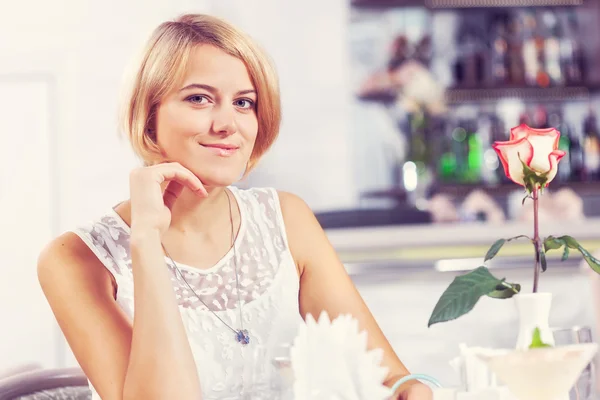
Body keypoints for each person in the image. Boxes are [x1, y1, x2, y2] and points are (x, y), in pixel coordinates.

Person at [37, 14, 433, 400]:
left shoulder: (287, 219)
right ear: (149, 116)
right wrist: (146, 240)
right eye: (199, 98)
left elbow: (386, 377)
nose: (228, 123)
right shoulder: (73, 260)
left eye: (244, 103)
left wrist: (409, 388)